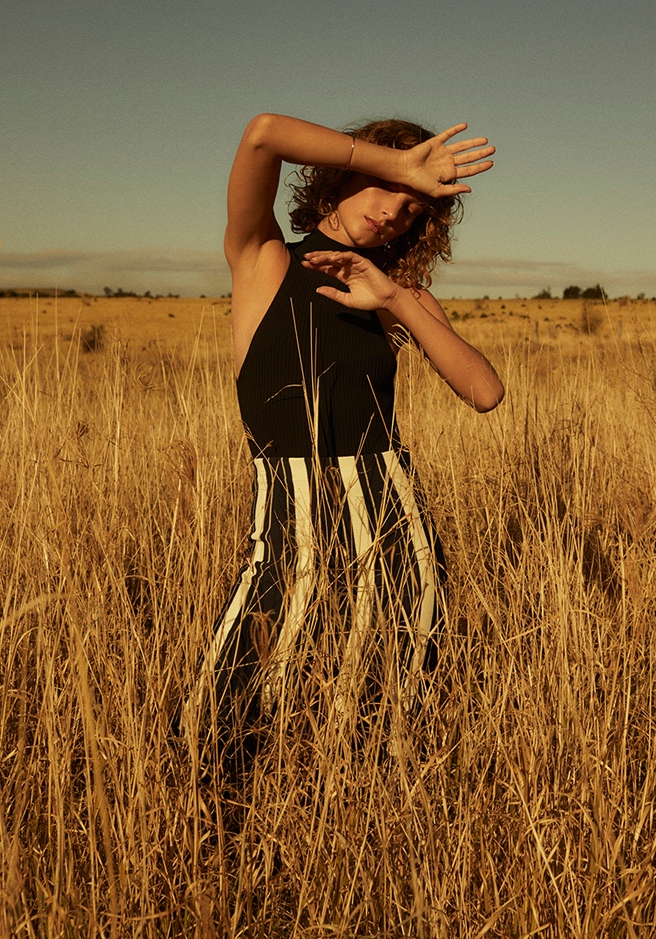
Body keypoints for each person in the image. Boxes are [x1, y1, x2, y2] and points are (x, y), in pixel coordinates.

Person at [184, 113, 504, 777]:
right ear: (343, 179)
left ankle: (353, 830)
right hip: (292, 509)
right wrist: (402, 163)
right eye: (383, 186)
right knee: (237, 698)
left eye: (414, 209)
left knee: (386, 709)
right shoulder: (266, 258)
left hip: (393, 512)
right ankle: (208, 820)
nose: (394, 211)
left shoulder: (397, 296)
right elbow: (263, 133)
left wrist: (394, 297)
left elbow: (483, 391)